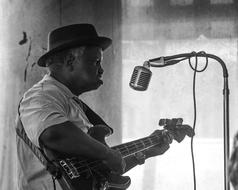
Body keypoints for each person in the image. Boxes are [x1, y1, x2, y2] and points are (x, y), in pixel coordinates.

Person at [16, 23, 194, 190]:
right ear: (70, 61)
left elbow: (98, 171)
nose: (101, 70)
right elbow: (53, 133)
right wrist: (107, 154)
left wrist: (147, 150)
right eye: (95, 62)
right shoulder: (40, 95)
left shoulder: (72, 104)